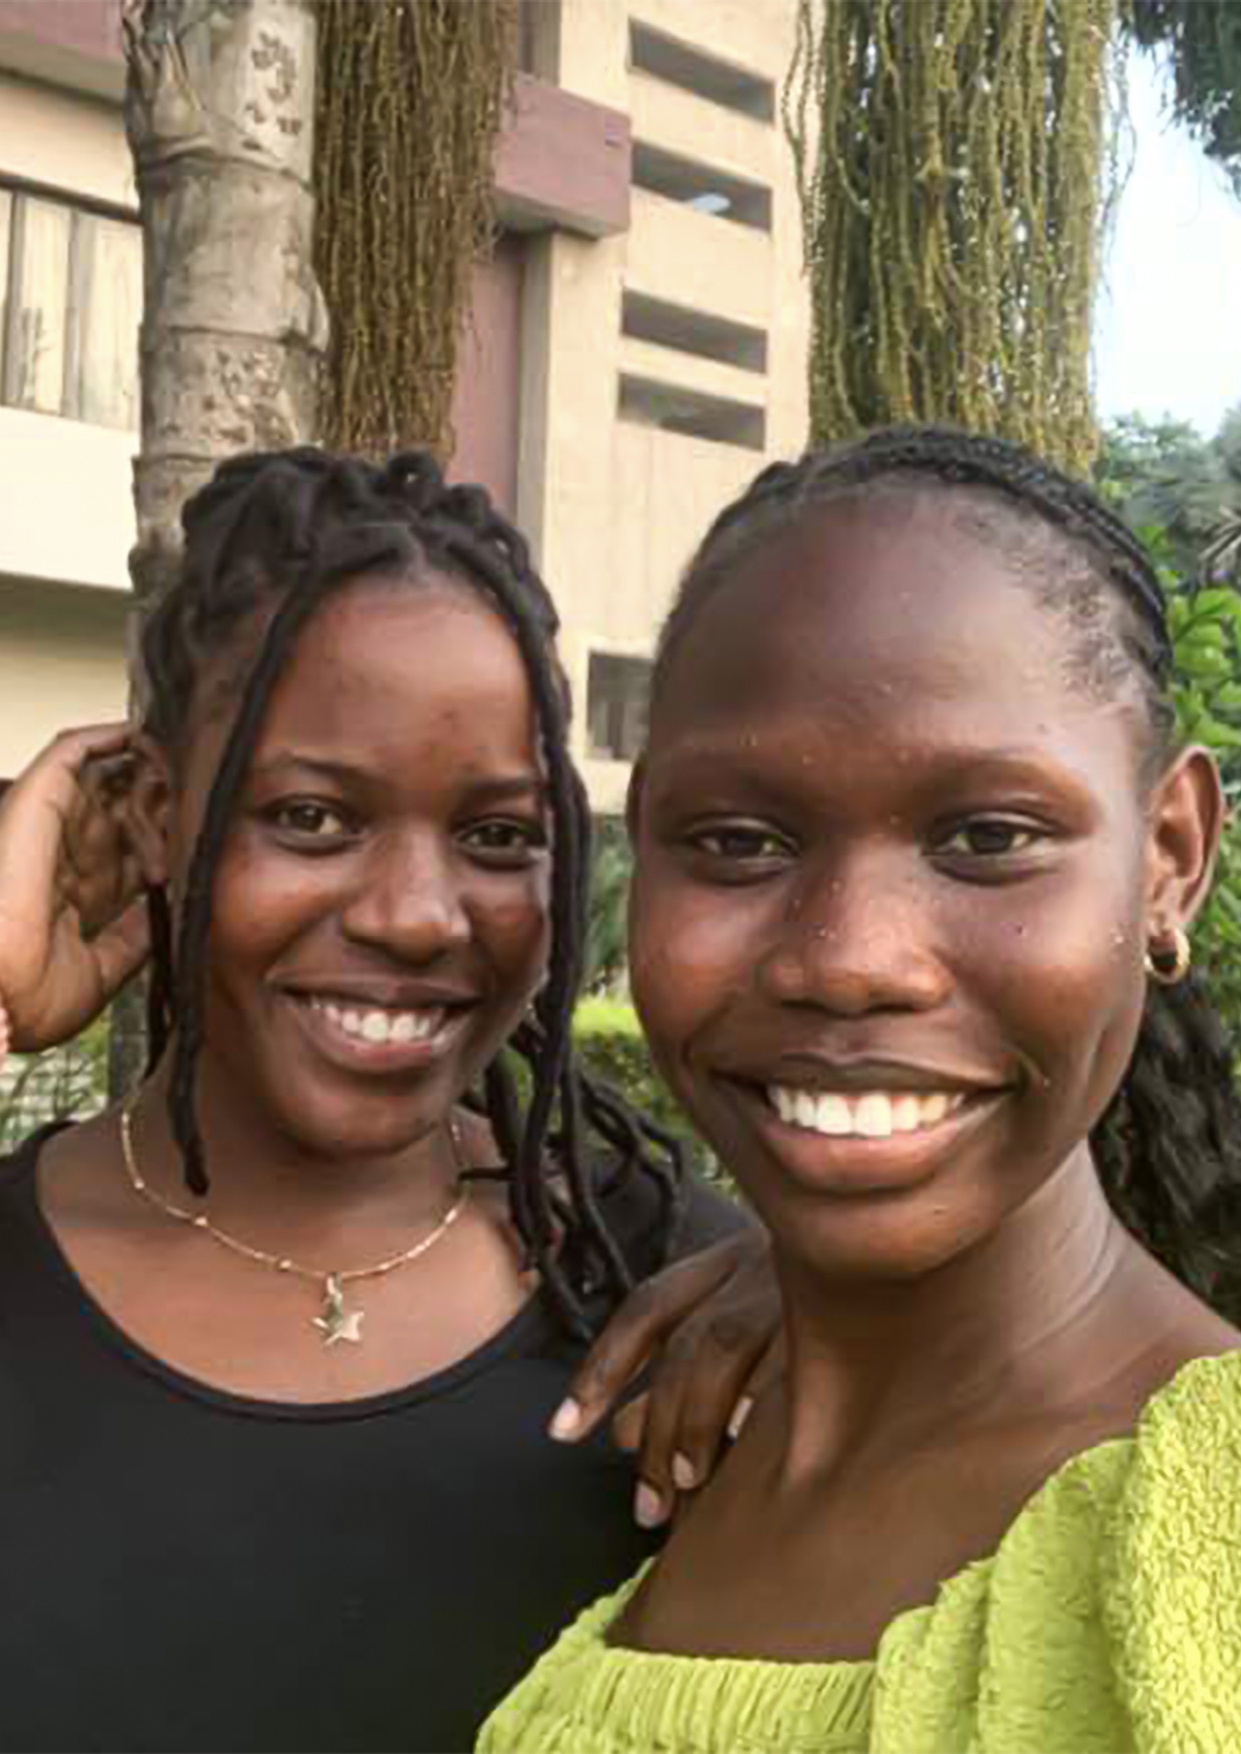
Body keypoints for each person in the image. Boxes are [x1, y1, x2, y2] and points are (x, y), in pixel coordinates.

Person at [0, 449, 780, 1754]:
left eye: (497, 836)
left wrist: (839, 1306)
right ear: (153, 814)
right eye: (312, 817)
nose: (417, 917)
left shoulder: (679, 1298)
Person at [480, 426, 1241, 1753]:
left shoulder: (1206, 1534)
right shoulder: (667, 1447)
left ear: (1167, 858)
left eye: (988, 837)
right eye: (737, 841)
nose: (846, 960)